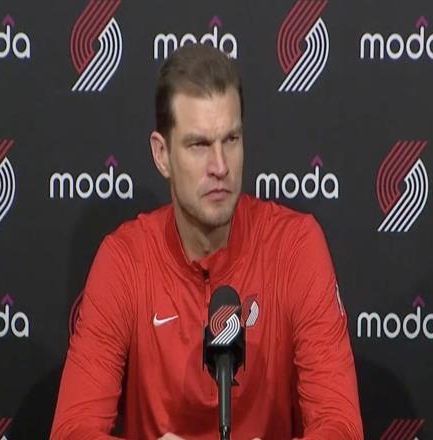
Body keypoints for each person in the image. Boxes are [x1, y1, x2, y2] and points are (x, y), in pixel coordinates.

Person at [50, 44, 363, 440]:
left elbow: (341, 425)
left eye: (230, 140)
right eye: (199, 145)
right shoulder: (125, 260)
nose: (220, 166)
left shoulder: (295, 246)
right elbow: (71, 430)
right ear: (162, 154)